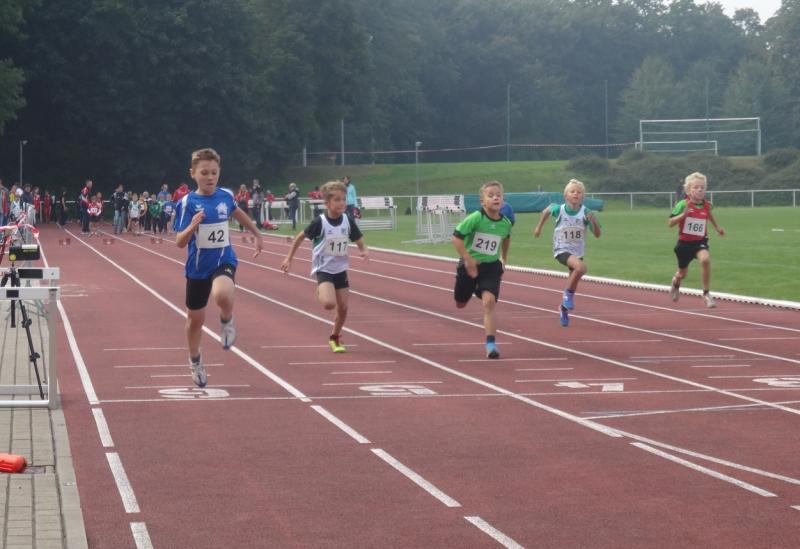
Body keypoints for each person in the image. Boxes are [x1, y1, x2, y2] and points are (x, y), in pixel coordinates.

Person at [174, 148, 263, 387]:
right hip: (197, 269)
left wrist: (256, 233)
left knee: (222, 293)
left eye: (214, 172)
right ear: (193, 174)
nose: (210, 177)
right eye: (204, 173)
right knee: (195, 320)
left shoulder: (225, 196)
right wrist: (192, 226)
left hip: (224, 260)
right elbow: (179, 242)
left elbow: (238, 213)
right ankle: (195, 360)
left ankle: (226, 318)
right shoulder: (187, 203)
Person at [281, 180, 368, 353]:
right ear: (327, 203)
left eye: (343, 199)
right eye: (337, 200)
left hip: (340, 269)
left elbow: (358, 238)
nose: (341, 203)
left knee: (343, 308)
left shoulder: (347, 220)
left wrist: (363, 250)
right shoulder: (319, 222)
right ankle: (321, 289)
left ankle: (335, 337)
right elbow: (300, 237)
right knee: (329, 304)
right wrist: (289, 258)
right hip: (324, 269)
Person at [451, 180, 513, 358]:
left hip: (491, 267)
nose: (495, 198)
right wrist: (468, 259)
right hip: (469, 266)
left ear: (503, 200)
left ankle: (491, 344)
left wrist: (504, 258)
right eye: (491, 195)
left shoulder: (506, 223)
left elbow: (506, 238)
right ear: (482, 201)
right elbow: (456, 237)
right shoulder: (476, 218)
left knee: (489, 302)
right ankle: (474, 288)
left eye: (498, 195)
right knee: (460, 303)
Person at [533, 178, 601, 327]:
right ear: (566, 195)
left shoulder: (587, 212)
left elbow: (597, 234)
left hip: (577, 252)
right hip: (561, 249)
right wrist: (539, 228)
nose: (576, 194)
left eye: (579, 192)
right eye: (572, 191)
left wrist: (593, 221)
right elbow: (546, 211)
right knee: (581, 268)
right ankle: (567, 296)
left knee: (573, 280)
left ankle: (563, 308)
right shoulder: (560, 209)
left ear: (583, 196)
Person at [668, 171, 725, 308]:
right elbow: (670, 223)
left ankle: (706, 294)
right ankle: (676, 282)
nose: (700, 190)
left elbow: (708, 214)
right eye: (696, 187)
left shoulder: (707, 205)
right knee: (682, 274)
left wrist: (717, 228)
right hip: (684, 244)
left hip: (700, 242)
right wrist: (683, 215)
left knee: (705, 260)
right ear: (689, 190)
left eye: (702, 187)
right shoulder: (682, 204)